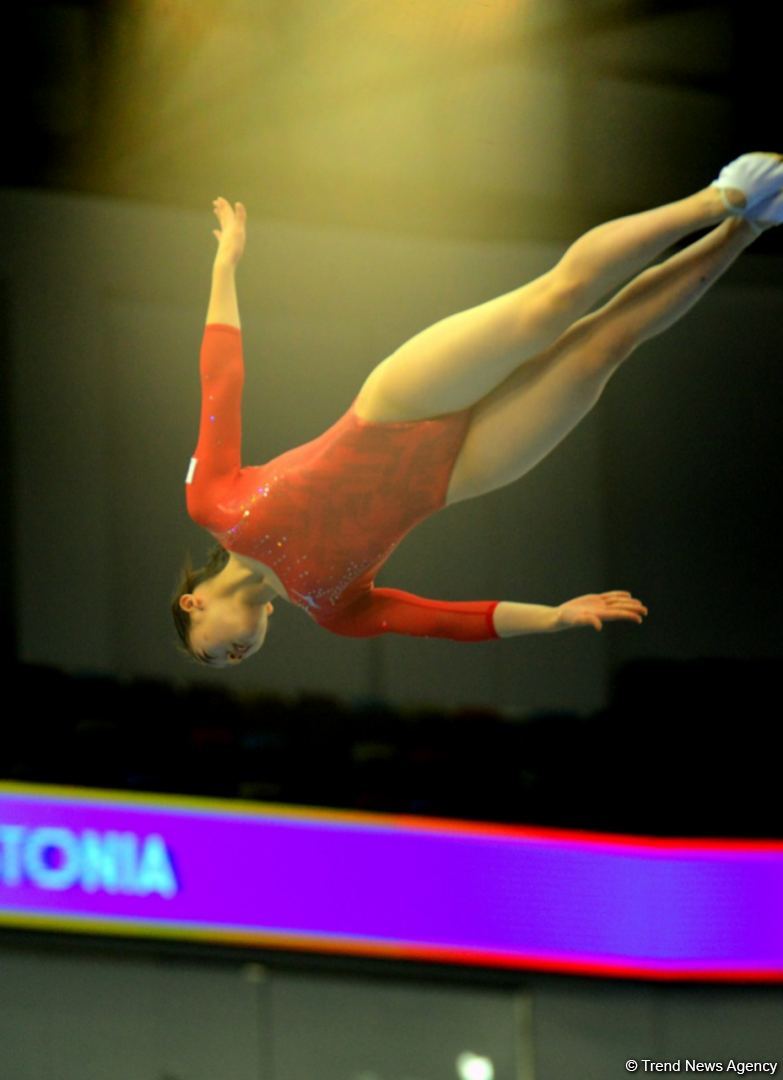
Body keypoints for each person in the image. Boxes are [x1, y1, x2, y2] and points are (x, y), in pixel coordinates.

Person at [173, 153, 783, 668]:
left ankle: (716, 199)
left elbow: (220, 382)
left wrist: (224, 267)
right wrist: (554, 618)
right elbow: (445, 622)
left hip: (395, 405)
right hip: (461, 471)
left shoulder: (214, 505)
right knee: (604, 346)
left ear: (191, 604)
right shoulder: (335, 612)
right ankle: (748, 228)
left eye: (208, 654)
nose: (232, 661)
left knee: (554, 303)